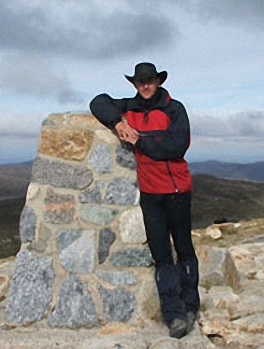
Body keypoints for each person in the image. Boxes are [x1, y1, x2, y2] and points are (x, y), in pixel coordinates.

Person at [89, 62, 200, 339]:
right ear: (135, 84)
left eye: (149, 81)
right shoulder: (129, 108)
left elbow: (177, 146)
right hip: (151, 196)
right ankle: (174, 316)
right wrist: (118, 122)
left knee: (184, 250)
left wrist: (140, 142)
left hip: (177, 192)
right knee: (162, 255)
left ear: (158, 81)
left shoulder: (175, 109)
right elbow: (98, 101)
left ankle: (191, 306)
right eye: (140, 82)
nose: (145, 86)